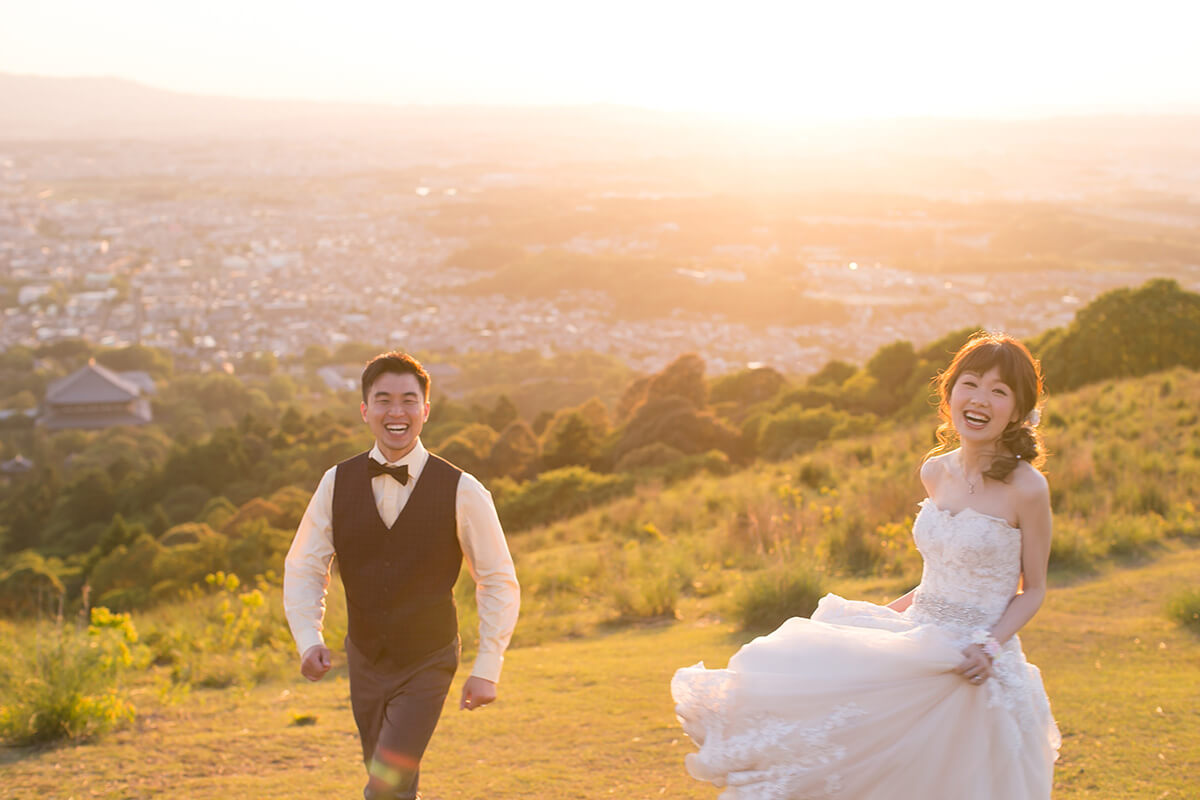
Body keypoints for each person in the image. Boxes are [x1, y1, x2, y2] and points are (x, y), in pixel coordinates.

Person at [671, 332, 1060, 799]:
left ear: (1018, 411)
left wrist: (989, 647)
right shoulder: (935, 471)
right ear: (949, 393)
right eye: (970, 384)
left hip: (975, 661)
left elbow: (1032, 588)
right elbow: (938, 578)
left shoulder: (1028, 488)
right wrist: (877, 619)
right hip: (918, 638)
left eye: (999, 391)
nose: (980, 400)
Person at [284, 351, 520, 800]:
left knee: (384, 787)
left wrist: (488, 667)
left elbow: (497, 579)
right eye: (384, 400)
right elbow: (304, 564)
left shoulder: (464, 490)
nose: (397, 412)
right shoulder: (335, 482)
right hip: (365, 660)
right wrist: (307, 637)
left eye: (409, 400)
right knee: (392, 778)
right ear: (365, 410)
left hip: (428, 660)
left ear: (426, 410)